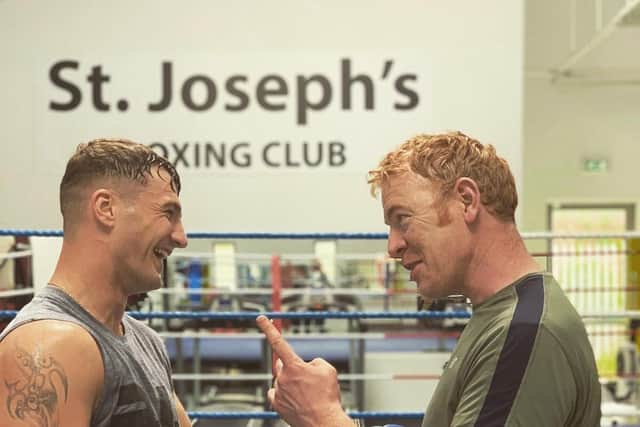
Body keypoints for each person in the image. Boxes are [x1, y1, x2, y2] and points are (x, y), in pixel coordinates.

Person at [257, 131, 601, 426]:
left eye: (402, 219)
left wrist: (325, 418)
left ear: (466, 201)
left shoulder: (525, 331)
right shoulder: (502, 316)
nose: (392, 246)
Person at [0, 139, 191, 427]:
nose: (181, 237)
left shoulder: (146, 342)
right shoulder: (50, 346)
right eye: (167, 213)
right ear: (106, 208)